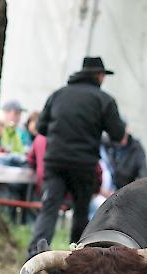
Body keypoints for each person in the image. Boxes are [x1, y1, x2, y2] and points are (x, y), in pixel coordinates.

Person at [25, 57, 126, 260]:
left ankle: (35, 256)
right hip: (84, 164)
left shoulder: (58, 95)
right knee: (81, 213)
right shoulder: (104, 100)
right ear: (99, 76)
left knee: (49, 208)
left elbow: (41, 128)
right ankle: (77, 259)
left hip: (55, 161)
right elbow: (117, 134)